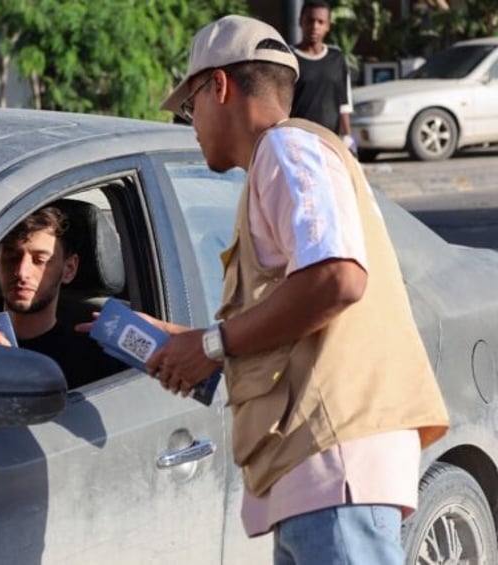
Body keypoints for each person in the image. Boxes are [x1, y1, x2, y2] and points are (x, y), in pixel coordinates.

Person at [149, 14, 449, 564]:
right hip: (321, 475)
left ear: (219, 86)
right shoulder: (283, 159)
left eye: (191, 106)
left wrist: (215, 344)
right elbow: (299, 314)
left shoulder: (288, 150)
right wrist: (197, 345)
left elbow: (338, 278)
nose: (191, 125)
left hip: (335, 471)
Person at [0, 205, 124, 389]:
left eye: (40, 261)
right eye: (12, 257)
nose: (21, 272)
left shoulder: (89, 359)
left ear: (69, 269)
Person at [290, 1, 357, 154]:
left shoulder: (336, 58)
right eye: (310, 20)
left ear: (328, 25)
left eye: (321, 22)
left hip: (330, 142)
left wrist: (347, 137)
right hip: (298, 142)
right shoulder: (289, 58)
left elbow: (344, 103)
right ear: (301, 22)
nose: (315, 26)